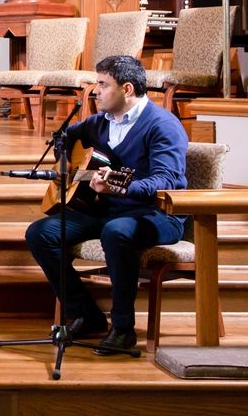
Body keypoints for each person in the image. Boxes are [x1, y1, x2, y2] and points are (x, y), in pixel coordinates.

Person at [25, 55, 188, 354]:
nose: (95, 91)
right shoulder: (99, 122)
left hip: (156, 214)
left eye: (102, 84)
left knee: (116, 232)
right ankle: (86, 315)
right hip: (107, 211)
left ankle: (123, 328)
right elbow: (63, 136)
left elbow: (166, 180)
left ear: (126, 89)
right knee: (40, 233)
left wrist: (118, 186)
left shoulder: (163, 125)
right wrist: (65, 165)